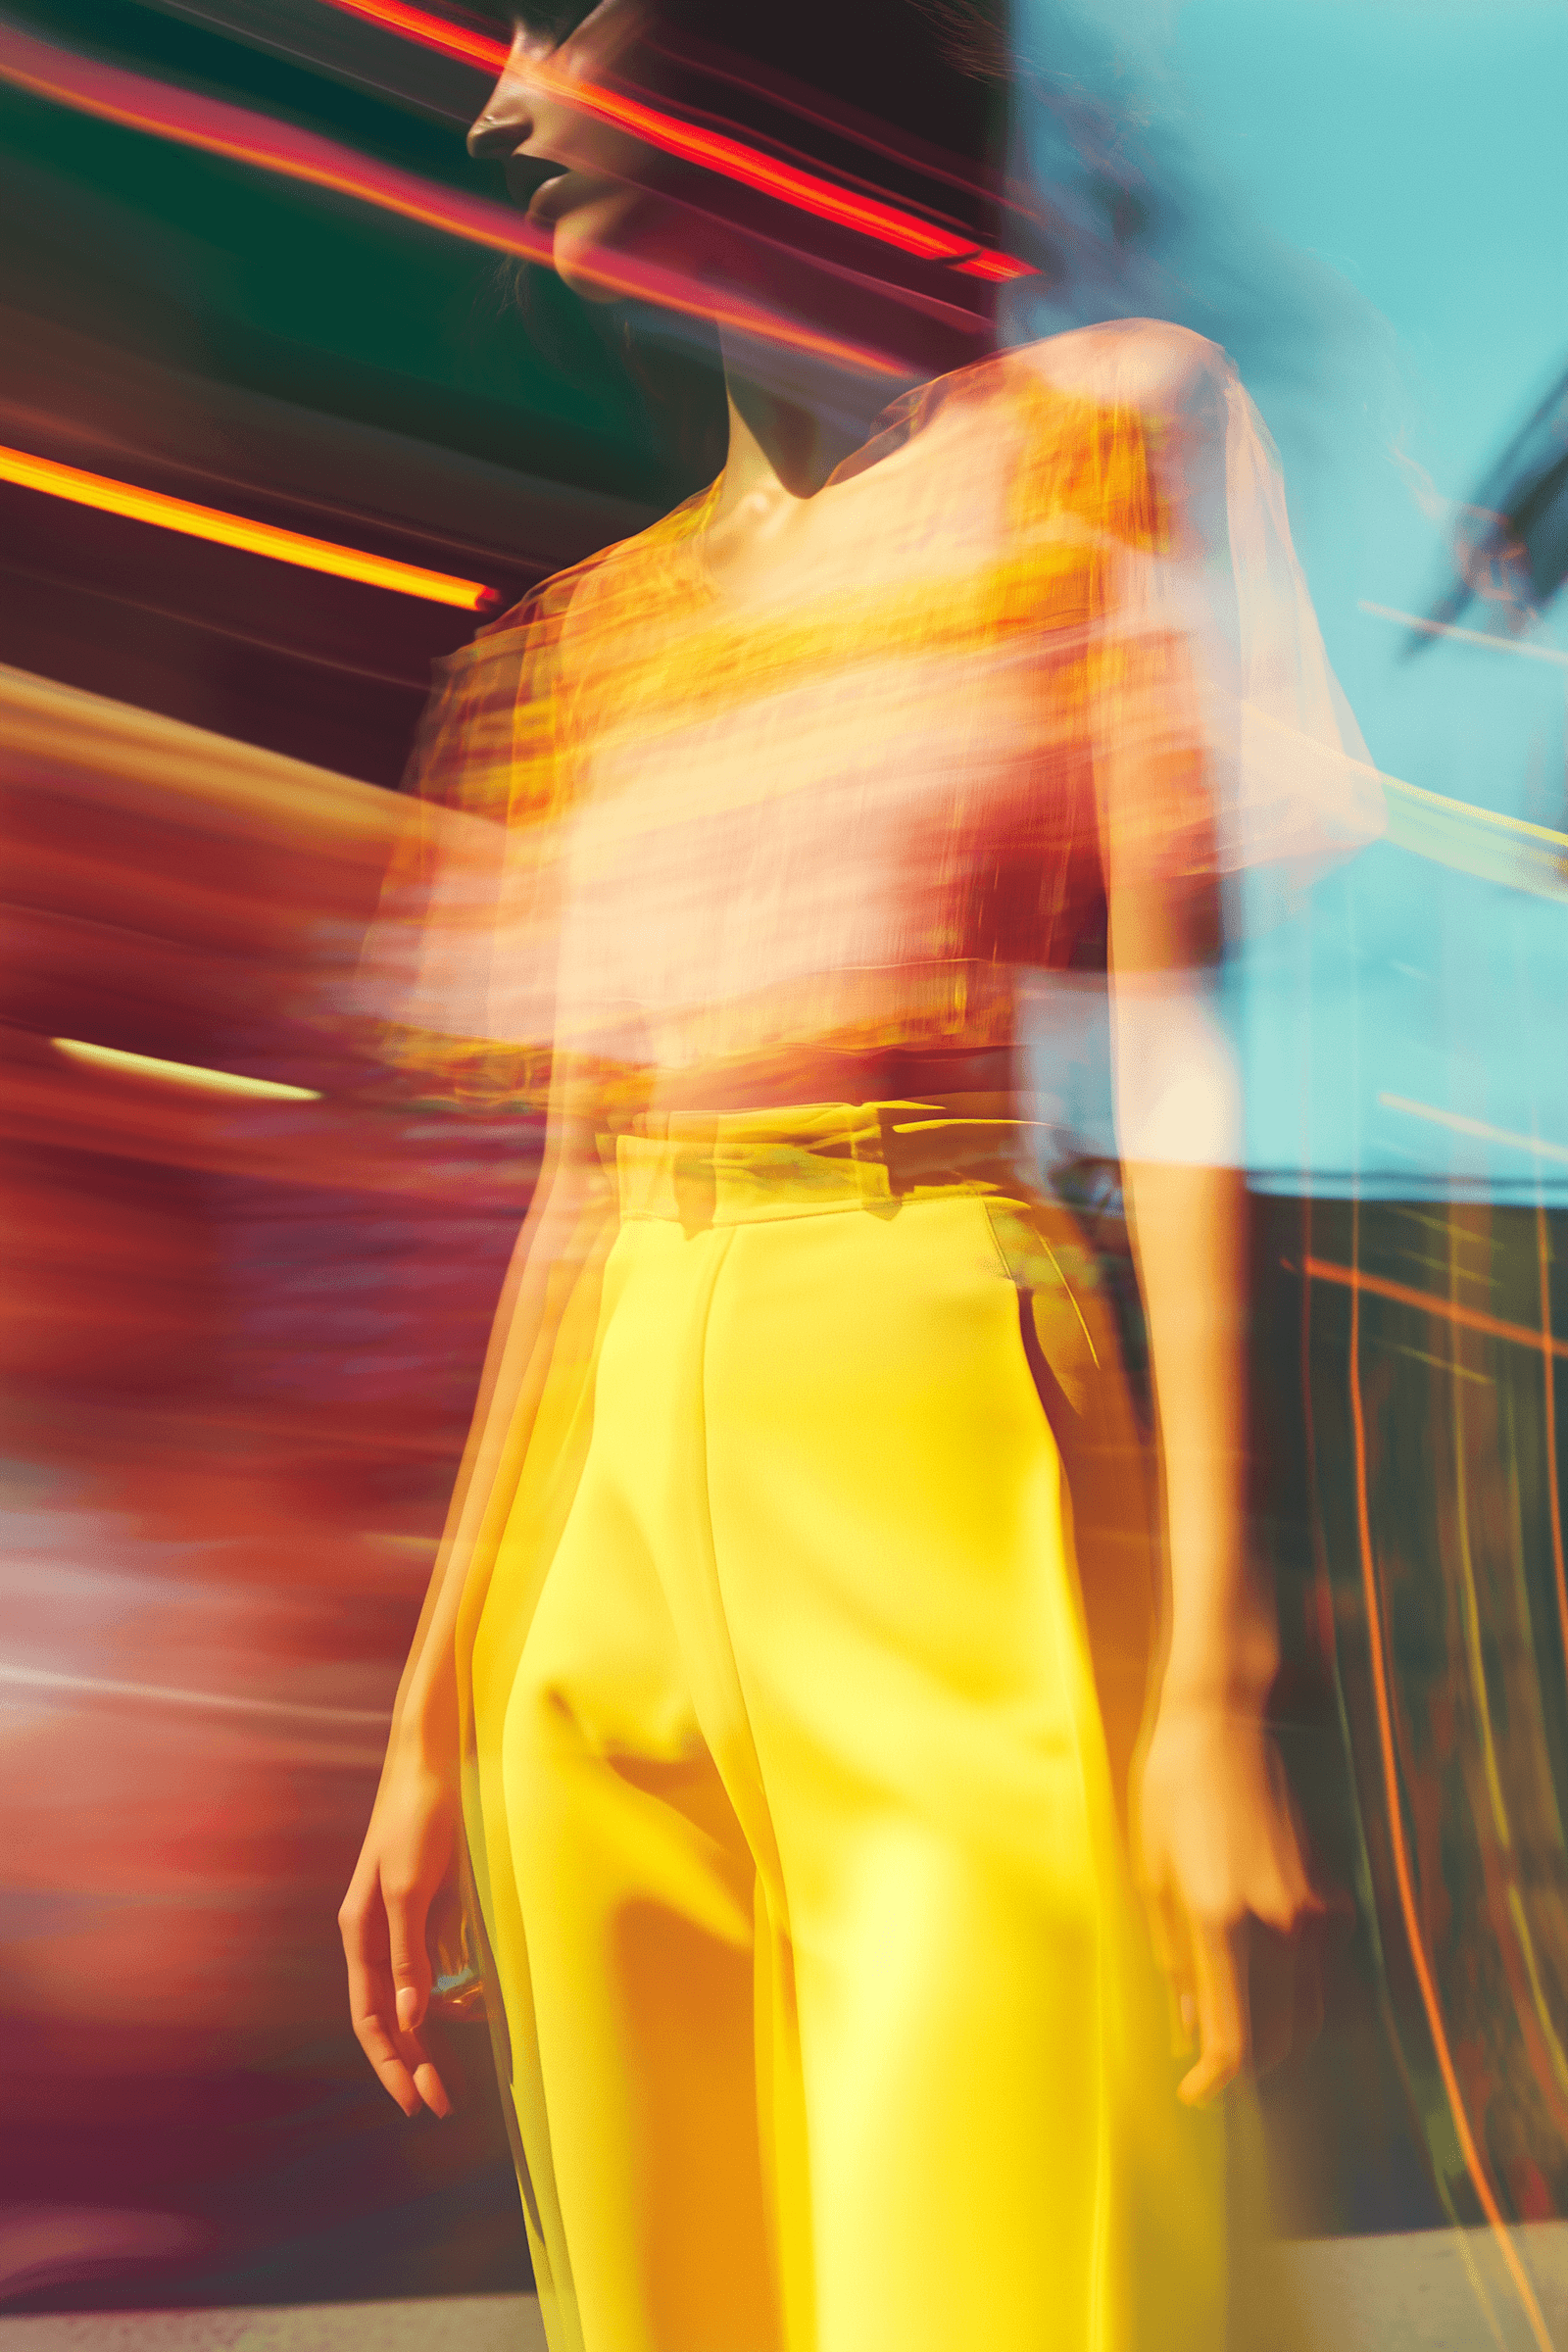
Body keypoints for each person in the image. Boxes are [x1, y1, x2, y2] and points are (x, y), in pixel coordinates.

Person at [339, 6, 1383, 2347]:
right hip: (599, 1548)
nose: (498, 99)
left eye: (557, 17)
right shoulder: (594, 633)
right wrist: (426, 1723)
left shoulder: (1104, 436)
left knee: (1006, 2278)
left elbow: (1185, 1053)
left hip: (939, 1429)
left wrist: (1213, 1682)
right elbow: (577, 1187)